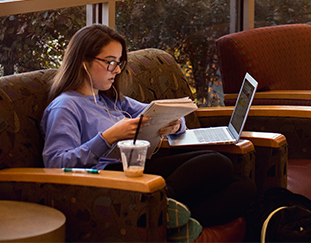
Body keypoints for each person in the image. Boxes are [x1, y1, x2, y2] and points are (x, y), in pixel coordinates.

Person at [41, 24, 256, 236]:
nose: (116, 70)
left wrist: (174, 123)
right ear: (83, 62)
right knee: (216, 163)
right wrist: (108, 137)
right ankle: (161, 201)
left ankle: (169, 216)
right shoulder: (65, 106)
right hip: (108, 179)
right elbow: (55, 163)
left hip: (139, 166)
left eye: (118, 63)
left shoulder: (111, 98)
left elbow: (154, 111)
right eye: (110, 63)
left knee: (243, 185)